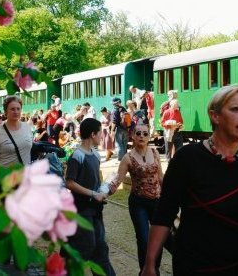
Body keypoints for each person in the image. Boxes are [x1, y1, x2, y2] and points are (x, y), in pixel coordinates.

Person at [141, 84, 238, 276]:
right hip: (196, 265)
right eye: (235, 109)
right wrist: (150, 264)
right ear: (215, 116)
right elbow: (164, 214)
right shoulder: (187, 158)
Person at [61, 118, 115, 276]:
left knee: (100, 248)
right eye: (100, 133)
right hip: (81, 210)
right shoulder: (77, 155)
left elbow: (96, 183)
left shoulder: (96, 155)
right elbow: (69, 183)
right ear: (93, 134)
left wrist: (107, 190)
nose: (101, 137)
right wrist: (93, 194)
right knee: (86, 246)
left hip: (95, 210)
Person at [109, 124, 164, 274]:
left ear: (149, 136)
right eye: (138, 133)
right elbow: (118, 179)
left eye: (145, 133)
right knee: (144, 239)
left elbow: (160, 177)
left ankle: (155, 269)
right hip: (138, 203)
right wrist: (104, 192)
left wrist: (171, 196)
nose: (141, 136)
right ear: (133, 135)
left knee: (159, 238)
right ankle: (144, 270)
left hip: (157, 201)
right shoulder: (128, 158)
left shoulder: (155, 152)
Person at [0, 96, 33, 167]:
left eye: (18, 109)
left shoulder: (27, 127)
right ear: (5, 112)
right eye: (12, 109)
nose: (16, 112)